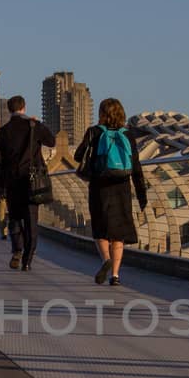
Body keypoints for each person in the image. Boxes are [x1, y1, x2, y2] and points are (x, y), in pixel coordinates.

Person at [74, 97, 147, 287]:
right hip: (122, 187)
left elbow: (78, 156)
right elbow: (136, 167)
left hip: (99, 186)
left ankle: (105, 260)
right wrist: (141, 194)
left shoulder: (94, 132)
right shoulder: (128, 134)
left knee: (101, 229)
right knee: (118, 234)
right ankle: (115, 275)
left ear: (101, 114)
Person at [0, 96, 56, 270]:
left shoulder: (2, 132)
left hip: (12, 181)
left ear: (9, 109)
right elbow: (52, 141)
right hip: (32, 181)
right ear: (24, 107)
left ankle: (17, 250)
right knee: (31, 221)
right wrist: (38, 124)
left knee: (14, 219)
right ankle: (27, 260)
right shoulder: (34, 126)